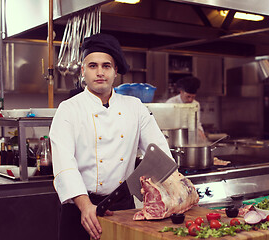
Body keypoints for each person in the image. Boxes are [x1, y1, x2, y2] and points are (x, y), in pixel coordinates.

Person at [49, 33, 171, 240]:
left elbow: (159, 154)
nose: (100, 72)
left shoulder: (135, 107)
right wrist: (85, 205)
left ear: (115, 72)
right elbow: (64, 164)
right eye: (93, 65)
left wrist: (164, 192)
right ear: (83, 71)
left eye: (106, 66)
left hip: (121, 207)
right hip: (80, 206)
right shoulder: (68, 109)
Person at [166, 76, 207, 141]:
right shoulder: (171, 103)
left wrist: (200, 131)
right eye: (188, 96)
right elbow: (167, 124)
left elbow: (197, 123)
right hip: (173, 138)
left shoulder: (196, 104)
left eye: (193, 97)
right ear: (181, 92)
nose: (190, 100)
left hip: (190, 139)